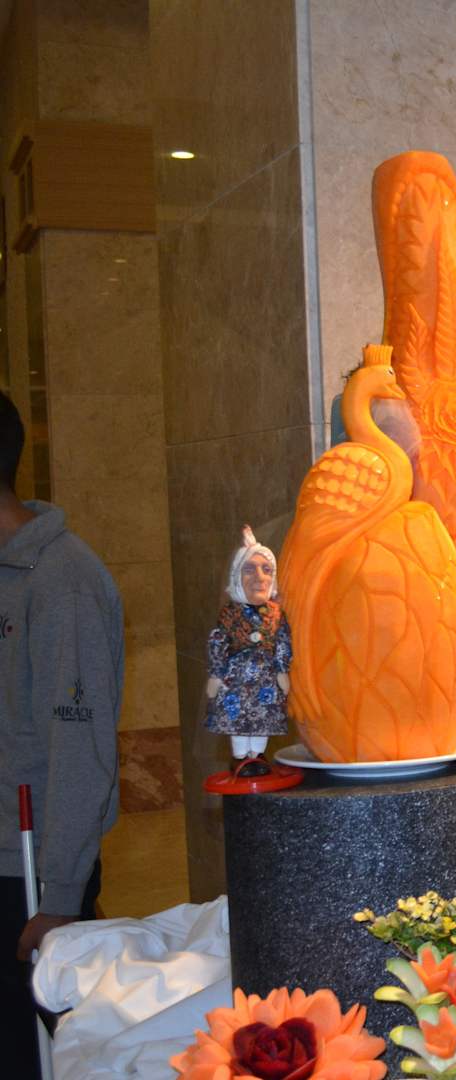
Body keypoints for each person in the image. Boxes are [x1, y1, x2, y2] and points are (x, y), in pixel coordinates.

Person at [0, 390, 123, 1080]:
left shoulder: (62, 582)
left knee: (37, 1058)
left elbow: (80, 750)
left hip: (30, 873)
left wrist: (58, 899)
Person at [204, 527, 292, 776]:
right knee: (239, 716)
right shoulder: (230, 614)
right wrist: (216, 674)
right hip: (237, 679)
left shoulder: (276, 614)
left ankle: (258, 755)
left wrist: (282, 670)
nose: (259, 577)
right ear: (237, 576)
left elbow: (282, 641)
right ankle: (241, 756)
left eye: (266, 570)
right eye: (250, 569)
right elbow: (218, 641)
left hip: (266, 678)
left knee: (263, 717)